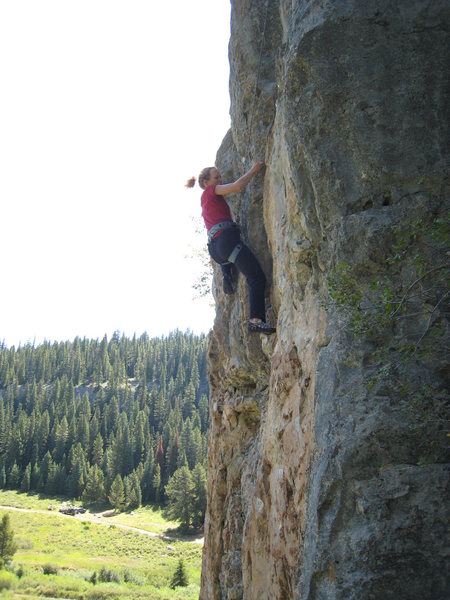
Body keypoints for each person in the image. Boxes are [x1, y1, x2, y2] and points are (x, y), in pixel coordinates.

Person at [186, 162, 276, 335]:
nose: (220, 179)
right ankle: (255, 320)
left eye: (220, 176)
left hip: (216, 249)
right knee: (256, 277)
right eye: (216, 177)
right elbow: (237, 186)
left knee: (232, 259)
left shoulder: (204, 199)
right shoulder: (211, 191)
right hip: (227, 242)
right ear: (206, 182)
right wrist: (253, 170)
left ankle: (228, 273)